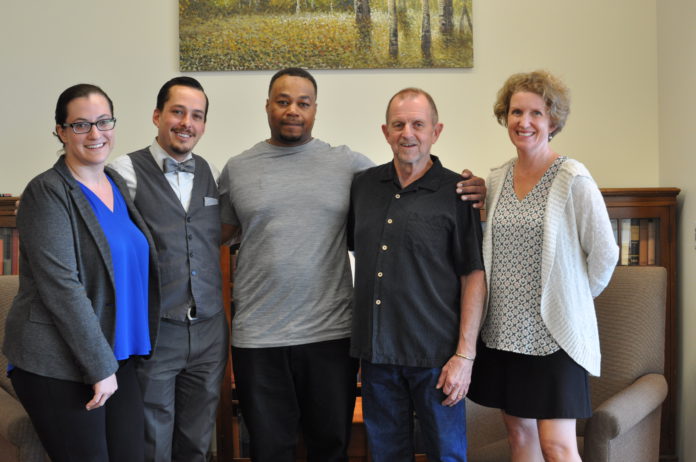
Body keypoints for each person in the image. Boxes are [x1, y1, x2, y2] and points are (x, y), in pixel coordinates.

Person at [218, 68, 486, 462]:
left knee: (347, 449)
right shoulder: (245, 169)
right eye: (283, 101)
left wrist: (482, 189)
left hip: (375, 345)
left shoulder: (371, 175)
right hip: (307, 345)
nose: (407, 133)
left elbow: (465, 266)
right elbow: (218, 235)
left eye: (303, 102)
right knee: (281, 449)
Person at [2, 84, 161, 462]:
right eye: (80, 124)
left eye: (104, 121)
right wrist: (99, 367)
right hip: (59, 364)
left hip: (118, 354)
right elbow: (62, 288)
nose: (95, 133)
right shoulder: (46, 192)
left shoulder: (116, 184)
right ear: (60, 131)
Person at [467, 70, 619, 462]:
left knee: (558, 446)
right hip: (503, 332)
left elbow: (605, 253)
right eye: (516, 112)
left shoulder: (572, 178)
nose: (524, 122)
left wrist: (575, 299)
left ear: (552, 121)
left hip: (554, 335)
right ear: (506, 117)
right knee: (521, 439)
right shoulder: (497, 179)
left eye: (536, 113)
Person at [348, 88, 486, 461]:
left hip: (437, 358)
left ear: (436, 132)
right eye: (398, 124)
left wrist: (465, 356)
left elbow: (474, 276)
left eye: (418, 124)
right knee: (386, 455)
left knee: (447, 455)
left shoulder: (458, 192)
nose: (407, 133)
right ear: (385, 131)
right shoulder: (363, 187)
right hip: (377, 354)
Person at [109, 76, 229, 462]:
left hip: (210, 331)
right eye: (177, 112)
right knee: (152, 440)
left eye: (196, 115)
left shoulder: (209, 171)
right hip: (157, 331)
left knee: (197, 440)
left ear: (204, 124)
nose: (186, 123)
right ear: (157, 115)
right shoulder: (122, 173)